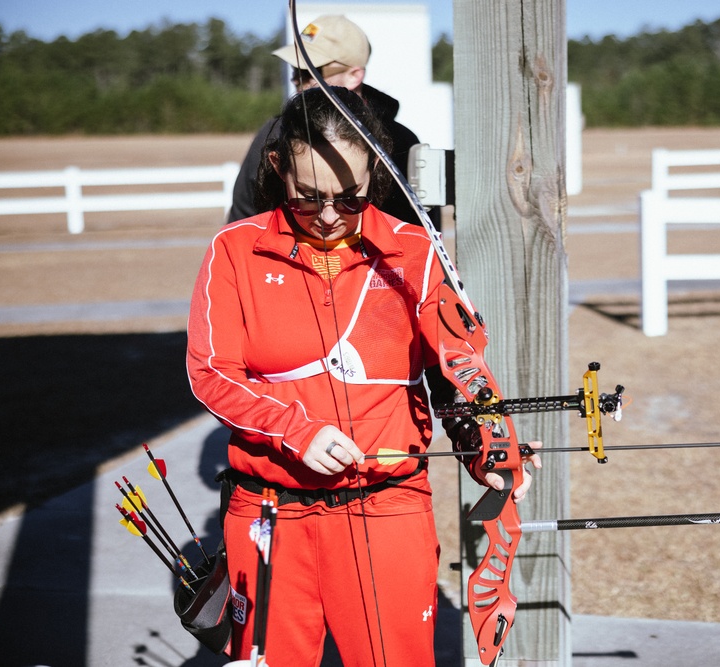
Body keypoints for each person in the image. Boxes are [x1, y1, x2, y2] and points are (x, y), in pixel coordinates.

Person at [187, 87, 539, 667]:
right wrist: (293, 430)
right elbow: (210, 373)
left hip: (384, 507)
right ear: (278, 170)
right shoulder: (235, 251)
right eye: (307, 198)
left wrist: (490, 449)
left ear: (375, 169)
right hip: (271, 514)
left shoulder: (414, 251)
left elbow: (458, 373)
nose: (328, 216)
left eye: (348, 199)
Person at [227, 14, 440, 229]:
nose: (297, 81)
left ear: (354, 75)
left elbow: (422, 235)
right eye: (295, 71)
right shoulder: (274, 133)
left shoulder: (401, 142)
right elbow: (243, 222)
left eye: (310, 72)